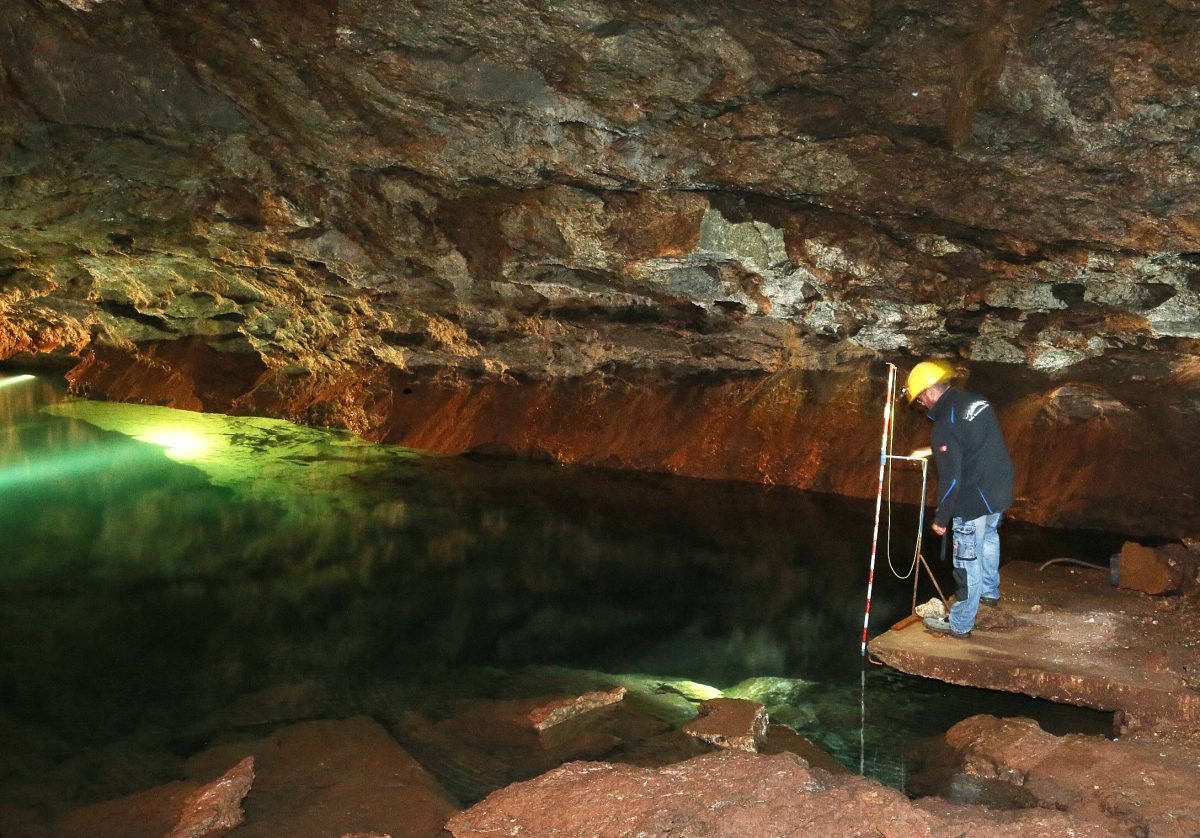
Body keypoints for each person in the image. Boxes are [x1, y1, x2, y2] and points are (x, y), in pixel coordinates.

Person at [906, 360, 1014, 639]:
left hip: (973, 499)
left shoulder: (944, 425)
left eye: (920, 399)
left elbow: (952, 478)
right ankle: (990, 592)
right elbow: (972, 442)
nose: (922, 405)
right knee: (990, 538)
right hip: (999, 491)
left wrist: (942, 518)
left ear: (930, 392)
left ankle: (961, 623)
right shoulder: (976, 402)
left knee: (966, 562)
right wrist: (931, 451)